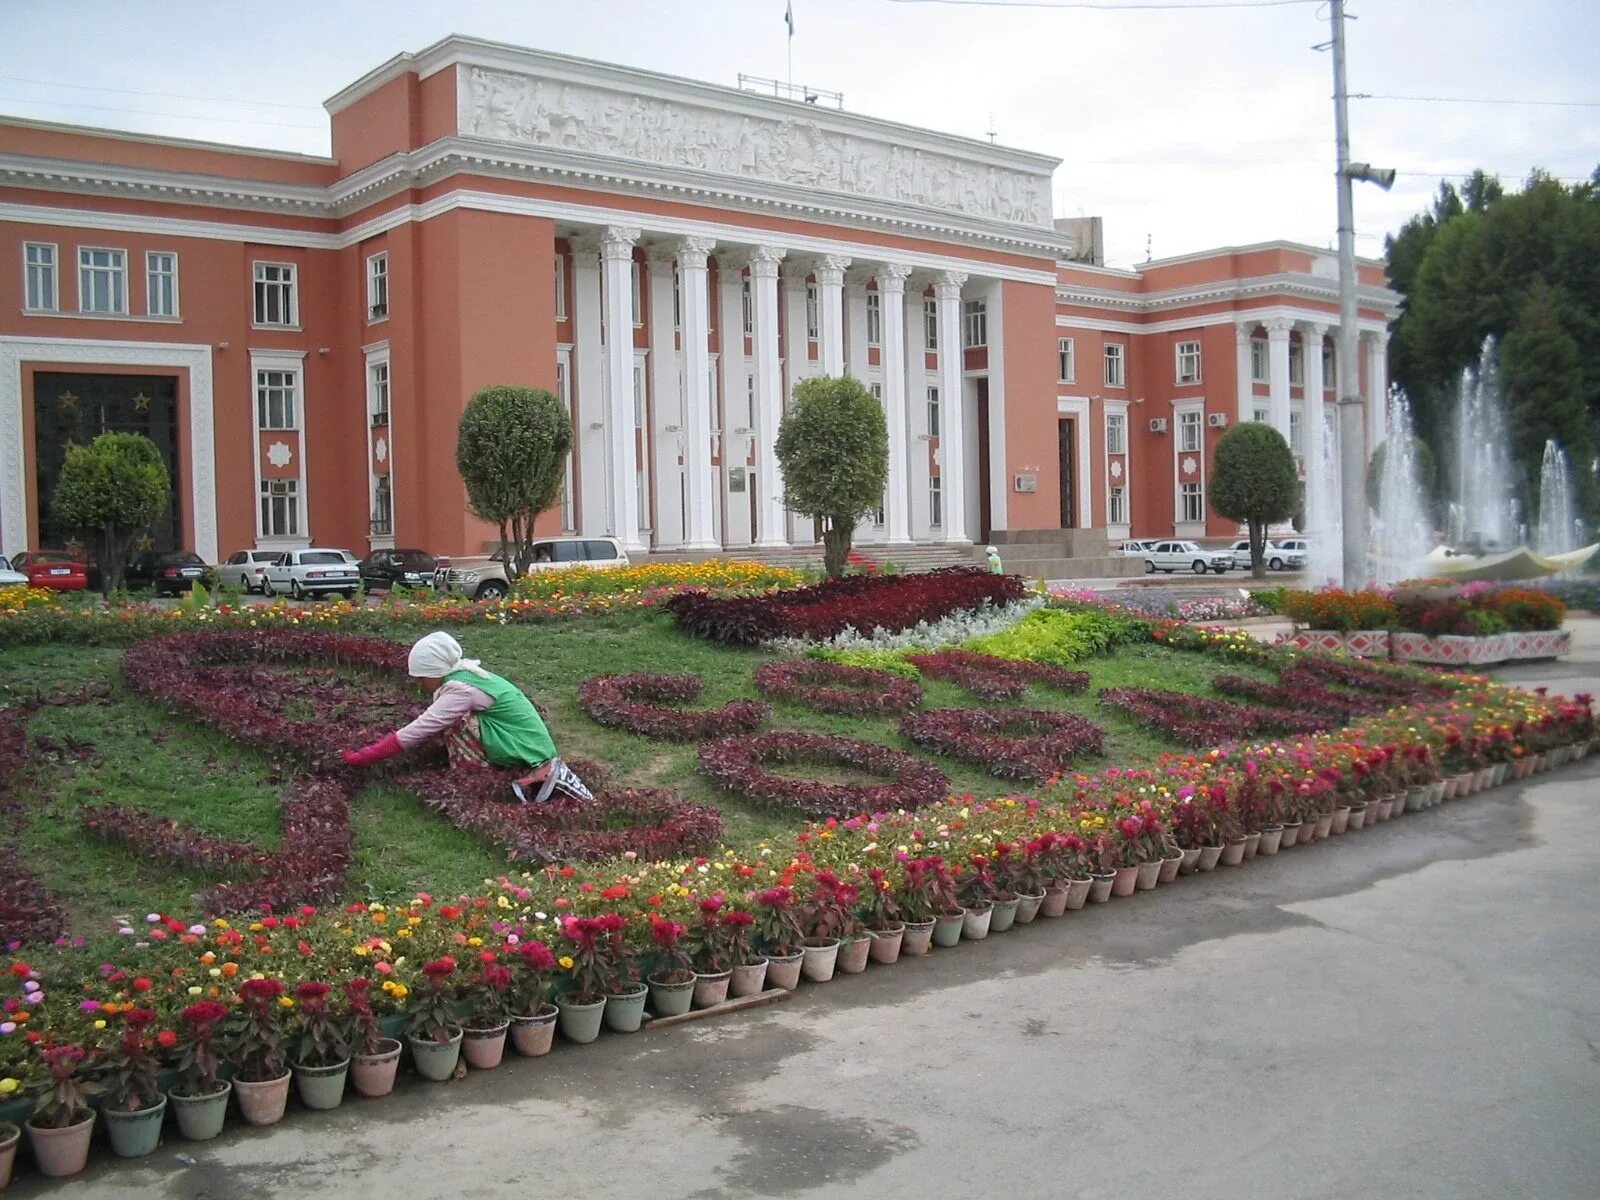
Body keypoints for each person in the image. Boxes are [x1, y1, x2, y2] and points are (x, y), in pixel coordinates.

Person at [340, 631, 592, 803]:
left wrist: (364, 756)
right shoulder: (468, 675)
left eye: (421, 676)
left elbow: (419, 730)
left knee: (456, 723)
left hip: (528, 752)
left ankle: (475, 782)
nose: (418, 683)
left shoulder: (461, 690)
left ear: (436, 671)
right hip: (531, 746)